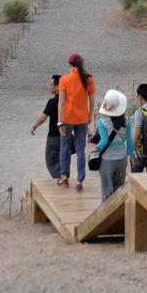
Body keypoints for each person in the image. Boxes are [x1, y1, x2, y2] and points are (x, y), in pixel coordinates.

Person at [58, 53, 96, 190]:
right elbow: (91, 101)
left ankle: (64, 177)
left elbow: (61, 102)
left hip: (67, 118)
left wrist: (59, 122)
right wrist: (89, 117)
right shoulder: (89, 79)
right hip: (82, 119)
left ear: (70, 65)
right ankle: (80, 180)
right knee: (80, 150)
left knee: (65, 147)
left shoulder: (64, 79)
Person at [93, 89, 132, 201]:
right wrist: (132, 156)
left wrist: (96, 149)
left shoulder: (102, 122)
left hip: (107, 160)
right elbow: (129, 140)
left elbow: (104, 141)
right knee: (119, 189)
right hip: (122, 159)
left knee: (106, 190)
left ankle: (105, 212)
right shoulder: (127, 120)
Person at [31, 75, 63, 181]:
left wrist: (34, 127)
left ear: (58, 86)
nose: (50, 86)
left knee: (51, 162)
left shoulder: (52, 102)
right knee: (62, 159)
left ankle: (61, 179)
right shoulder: (68, 100)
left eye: (51, 84)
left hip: (54, 137)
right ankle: (64, 177)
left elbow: (43, 118)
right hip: (66, 135)